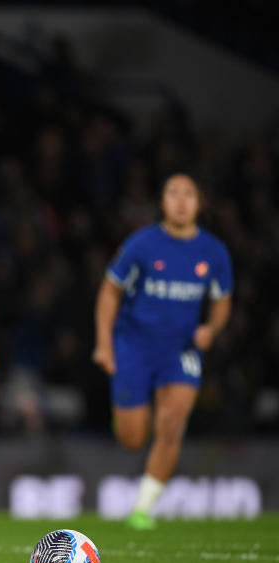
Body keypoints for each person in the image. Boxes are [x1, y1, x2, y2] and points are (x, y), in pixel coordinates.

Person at [93, 173, 233, 530]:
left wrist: (211, 329)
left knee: (171, 424)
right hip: (134, 345)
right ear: (162, 202)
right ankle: (124, 419)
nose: (181, 200)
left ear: (200, 202)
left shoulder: (214, 252)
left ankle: (142, 509)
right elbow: (110, 292)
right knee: (133, 437)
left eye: (189, 193)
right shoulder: (141, 245)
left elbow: (221, 303)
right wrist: (105, 344)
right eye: (173, 192)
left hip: (180, 350)